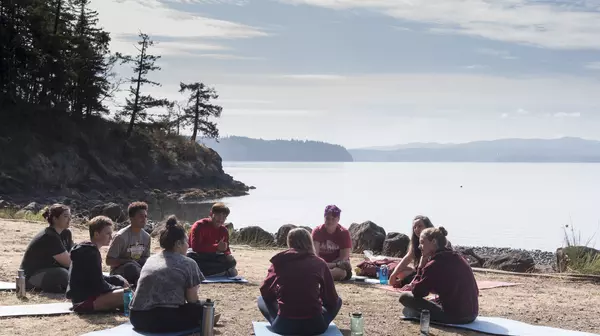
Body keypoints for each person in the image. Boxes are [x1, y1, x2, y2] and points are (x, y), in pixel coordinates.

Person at [130, 215, 218, 333]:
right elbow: (192, 300)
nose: (188, 245)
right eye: (186, 242)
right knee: (206, 307)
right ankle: (206, 320)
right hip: (165, 320)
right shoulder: (188, 263)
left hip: (137, 318)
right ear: (178, 244)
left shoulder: (151, 259)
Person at [258, 228, 342, 335]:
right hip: (315, 326)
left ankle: (279, 319)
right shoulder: (319, 263)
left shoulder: (280, 261)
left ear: (289, 242)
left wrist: (279, 296)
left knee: (262, 299)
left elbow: (265, 290)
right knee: (338, 300)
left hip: (284, 326)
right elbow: (331, 297)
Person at [398, 227, 479, 324]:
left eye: (422, 242)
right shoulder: (458, 257)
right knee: (432, 301)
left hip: (456, 316)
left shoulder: (434, 264)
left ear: (434, 242)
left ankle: (418, 314)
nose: (419, 246)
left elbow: (417, 292)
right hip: (472, 314)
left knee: (404, 297)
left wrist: (420, 267)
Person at [67, 216, 130, 313]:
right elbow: (99, 285)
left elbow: (95, 277)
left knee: (123, 287)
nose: (111, 237)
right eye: (107, 233)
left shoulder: (86, 249)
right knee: (128, 294)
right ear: (96, 234)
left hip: (81, 299)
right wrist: (118, 288)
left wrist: (117, 279)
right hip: (84, 302)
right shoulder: (90, 253)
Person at [19, 203, 73, 292]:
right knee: (62, 274)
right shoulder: (49, 236)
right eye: (66, 216)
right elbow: (68, 262)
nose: (69, 219)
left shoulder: (66, 233)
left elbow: (73, 253)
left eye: (70, 216)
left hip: (51, 270)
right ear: (55, 219)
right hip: (31, 277)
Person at [389, 215, 452, 287]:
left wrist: (411, 284)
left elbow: (428, 268)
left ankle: (408, 282)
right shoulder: (416, 242)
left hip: (434, 272)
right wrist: (393, 275)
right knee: (398, 271)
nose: (417, 229)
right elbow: (408, 258)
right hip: (421, 270)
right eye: (414, 227)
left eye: (420, 226)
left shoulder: (435, 242)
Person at [106, 201, 151, 286]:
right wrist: (128, 261)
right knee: (131, 267)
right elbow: (109, 261)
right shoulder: (121, 236)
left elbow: (146, 258)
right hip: (119, 274)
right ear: (131, 218)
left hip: (138, 270)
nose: (144, 219)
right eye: (141, 216)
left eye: (145, 216)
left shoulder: (147, 237)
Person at [187, 202, 237, 277]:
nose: (221, 219)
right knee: (189, 257)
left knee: (232, 262)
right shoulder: (199, 226)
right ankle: (221, 272)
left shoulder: (223, 230)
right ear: (211, 214)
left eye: (224, 216)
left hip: (213, 257)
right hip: (198, 256)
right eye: (218, 215)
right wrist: (216, 247)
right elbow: (195, 247)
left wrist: (227, 254)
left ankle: (209, 272)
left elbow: (225, 249)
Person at [311, 205, 353, 281]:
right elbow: (315, 256)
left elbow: (344, 257)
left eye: (333, 219)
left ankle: (318, 276)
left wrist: (334, 265)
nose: (330, 221)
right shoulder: (317, 231)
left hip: (337, 267)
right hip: (322, 264)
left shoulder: (343, 233)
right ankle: (322, 276)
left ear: (338, 219)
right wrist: (333, 264)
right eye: (327, 218)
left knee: (341, 273)